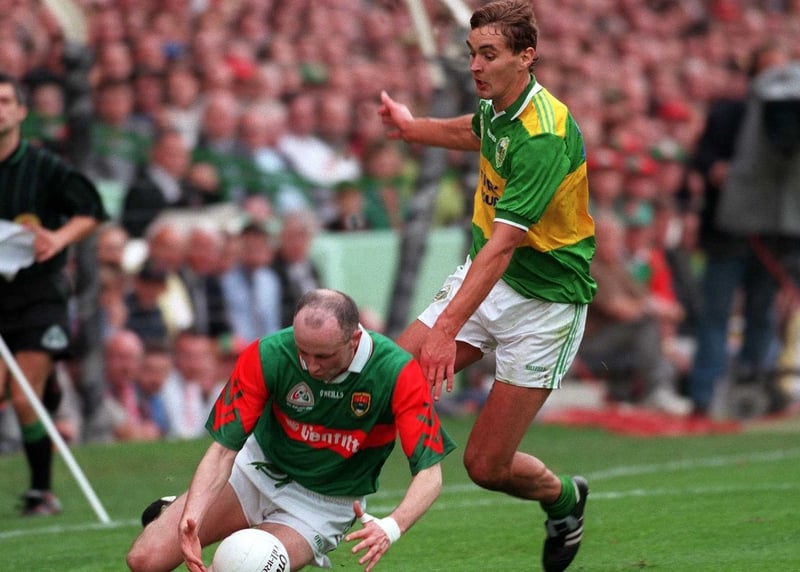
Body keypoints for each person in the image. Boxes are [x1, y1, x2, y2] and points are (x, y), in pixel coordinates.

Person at [377, 2, 595, 570]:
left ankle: (566, 499)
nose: (475, 65)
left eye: (488, 54)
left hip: (545, 307)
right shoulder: (497, 107)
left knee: (486, 466)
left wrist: (446, 328)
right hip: (489, 279)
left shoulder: (544, 133)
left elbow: (502, 246)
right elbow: (472, 132)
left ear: (528, 57)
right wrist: (410, 129)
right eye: (472, 53)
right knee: (385, 379)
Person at [126, 289, 455, 572]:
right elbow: (224, 449)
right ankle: (179, 509)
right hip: (256, 471)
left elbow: (430, 474)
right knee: (144, 560)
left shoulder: (397, 372)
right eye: (303, 352)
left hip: (322, 505)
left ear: (354, 339)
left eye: (323, 356)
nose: (310, 366)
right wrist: (192, 518)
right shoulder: (268, 353)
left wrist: (391, 527)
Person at [0, 72, 108, 515]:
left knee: (23, 394)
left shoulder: (45, 167)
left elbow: (92, 211)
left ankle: (41, 490)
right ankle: (49, 404)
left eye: (6, 100)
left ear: (21, 111)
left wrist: (58, 239)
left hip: (39, 295)